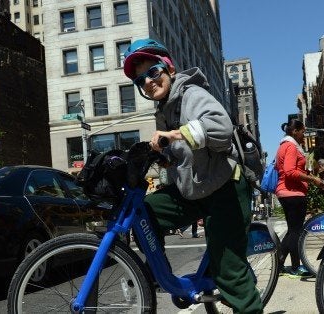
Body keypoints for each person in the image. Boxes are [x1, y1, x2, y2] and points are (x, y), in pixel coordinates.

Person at [122, 38, 261, 313]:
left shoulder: (191, 94)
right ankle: (157, 274)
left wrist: (176, 134)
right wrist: (164, 158)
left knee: (230, 274)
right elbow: (182, 156)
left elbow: (220, 129)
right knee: (145, 213)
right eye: (141, 81)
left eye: (153, 72)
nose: (149, 82)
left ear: (169, 69)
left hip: (225, 190)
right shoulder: (164, 110)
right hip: (195, 191)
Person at [274, 119, 324, 277]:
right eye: (303, 131)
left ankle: (280, 264)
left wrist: (309, 174)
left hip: (287, 193)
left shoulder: (284, 145)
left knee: (292, 232)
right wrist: (313, 180)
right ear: (294, 131)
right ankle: (296, 267)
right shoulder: (290, 146)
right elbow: (290, 171)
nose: (304, 135)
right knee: (296, 232)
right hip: (293, 194)